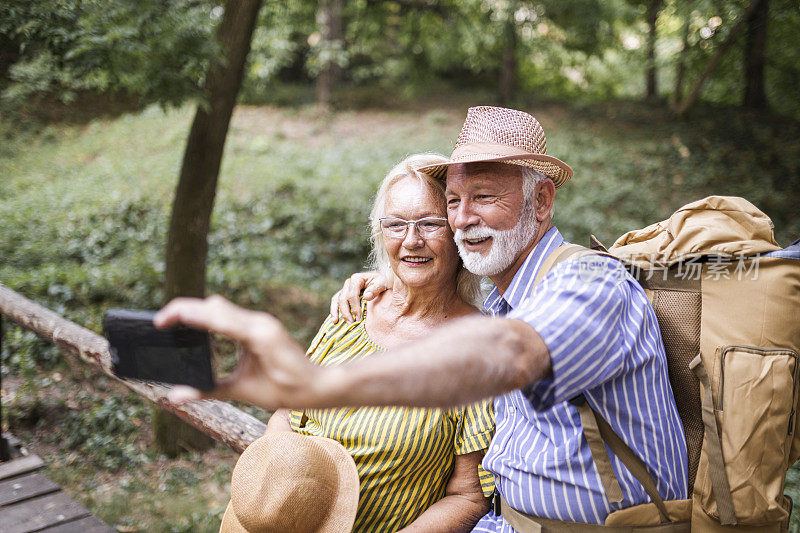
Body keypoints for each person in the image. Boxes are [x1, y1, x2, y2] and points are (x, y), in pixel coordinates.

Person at [155, 106, 688, 530]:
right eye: (454, 201)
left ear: (541, 202)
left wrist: (319, 383)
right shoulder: (502, 302)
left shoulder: (591, 283)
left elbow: (510, 353)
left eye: (483, 197)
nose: (463, 219)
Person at [249, 153, 495, 532]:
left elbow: (468, 496)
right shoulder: (353, 309)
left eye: (430, 224)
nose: (412, 241)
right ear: (380, 233)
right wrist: (280, 500)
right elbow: (287, 415)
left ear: (457, 230)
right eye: (396, 224)